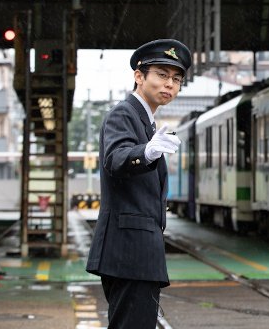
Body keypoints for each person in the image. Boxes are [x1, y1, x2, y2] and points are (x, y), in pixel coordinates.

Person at [86, 38, 191, 329]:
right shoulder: (124, 114)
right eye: (161, 74)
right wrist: (146, 151)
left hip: (137, 252)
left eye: (176, 78)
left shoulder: (146, 122)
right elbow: (116, 159)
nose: (169, 84)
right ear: (139, 76)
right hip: (130, 251)